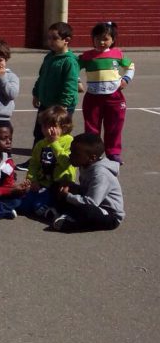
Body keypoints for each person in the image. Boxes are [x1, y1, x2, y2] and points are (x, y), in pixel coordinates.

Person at [79, 21, 134, 163]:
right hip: (93, 97)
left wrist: (126, 79)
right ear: (93, 39)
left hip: (114, 97)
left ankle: (113, 152)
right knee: (92, 127)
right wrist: (77, 81)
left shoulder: (117, 54)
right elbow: (73, 68)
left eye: (105, 39)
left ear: (113, 40)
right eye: (98, 39)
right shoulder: (87, 56)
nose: (101, 42)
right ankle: (93, 152)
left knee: (114, 126)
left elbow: (131, 66)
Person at [50, 132, 125, 232]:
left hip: (108, 214)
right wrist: (71, 186)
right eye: (71, 151)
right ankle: (65, 213)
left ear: (92, 158)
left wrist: (67, 196)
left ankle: (70, 224)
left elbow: (92, 203)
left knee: (87, 211)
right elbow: (85, 190)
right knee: (57, 185)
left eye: (75, 154)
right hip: (90, 200)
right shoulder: (85, 165)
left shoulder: (101, 174)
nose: (70, 155)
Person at [19, 106, 76, 221]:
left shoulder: (69, 141)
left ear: (64, 128)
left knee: (39, 204)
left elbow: (66, 163)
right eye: (45, 126)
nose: (48, 130)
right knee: (23, 203)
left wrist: (55, 143)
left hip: (60, 185)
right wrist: (32, 179)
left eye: (52, 126)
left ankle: (50, 212)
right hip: (42, 183)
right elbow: (34, 163)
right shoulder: (41, 144)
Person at [31, 22, 79, 144]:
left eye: (55, 38)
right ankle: (37, 158)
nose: (50, 41)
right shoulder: (49, 57)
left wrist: (63, 105)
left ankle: (57, 158)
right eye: (49, 38)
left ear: (66, 40)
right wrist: (36, 93)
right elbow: (42, 77)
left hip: (61, 106)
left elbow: (70, 85)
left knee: (58, 133)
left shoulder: (69, 61)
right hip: (46, 103)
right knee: (40, 132)